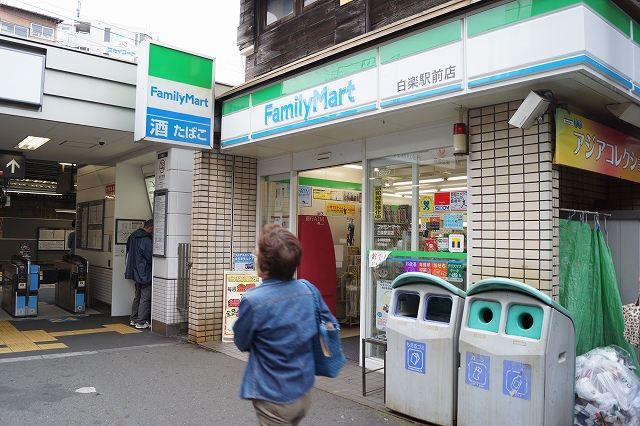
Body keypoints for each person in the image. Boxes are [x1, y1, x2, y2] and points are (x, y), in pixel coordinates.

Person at [233, 224, 336, 426]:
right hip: (303, 390)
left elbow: (241, 342)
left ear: (266, 265)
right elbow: (328, 324)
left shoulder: (254, 300)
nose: (255, 256)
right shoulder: (308, 290)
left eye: (257, 253)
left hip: (274, 396)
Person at [125, 219, 153, 329]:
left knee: (137, 295)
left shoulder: (133, 236)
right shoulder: (145, 239)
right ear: (150, 228)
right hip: (144, 271)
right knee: (145, 297)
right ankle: (141, 322)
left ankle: (133, 318)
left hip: (134, 270)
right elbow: (150, 257)